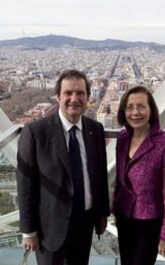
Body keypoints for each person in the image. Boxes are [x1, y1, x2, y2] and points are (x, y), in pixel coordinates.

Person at [17, 69, 110, 265]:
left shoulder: (95, 129)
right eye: (68, 93)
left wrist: (102, 213)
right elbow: (25, 185)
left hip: (85, 224)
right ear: (58, 96)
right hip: (50, 227)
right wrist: (28, 231)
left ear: (88, 98)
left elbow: (100, 175)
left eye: (80, 93)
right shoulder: (36, 132)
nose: (74, 99)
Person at [112, 85, 165, 265]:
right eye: (130, 107)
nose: (135, 112)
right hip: (124, 217)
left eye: (141, 106)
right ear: (124, 111)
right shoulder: (122, 138)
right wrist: (114, 208)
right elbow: (120, 182)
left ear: (151, 110)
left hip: (149, 223)